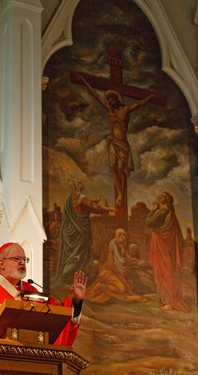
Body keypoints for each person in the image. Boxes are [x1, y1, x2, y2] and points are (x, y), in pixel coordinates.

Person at [0, 242, 88, 346]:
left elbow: (59, 314)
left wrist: (76, 300)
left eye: (25, 259)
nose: (22, 262)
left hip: (31, 360)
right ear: (2, 264)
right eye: (17, 259)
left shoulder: (31, 290)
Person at [79, 75, 156, 207]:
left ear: (117, 99)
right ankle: (119, 194)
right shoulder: (110, 111)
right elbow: (97, 96)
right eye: (109, 100)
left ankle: (121, 194)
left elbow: (138, 104)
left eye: (113, 99)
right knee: (114, 167)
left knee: (121, 168)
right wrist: (85, 82)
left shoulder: (125, 110)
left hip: (122, 144)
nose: (111, 102)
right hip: (113, 142)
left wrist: (150, 98)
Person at [52, 177, 116, 287]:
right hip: (80, 231)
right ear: (76, 185)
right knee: (79, 255)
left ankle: (75, 277)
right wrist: (109, 209)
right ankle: (67, 276)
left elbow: (85, 206)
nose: (81, 183)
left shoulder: (70, 198)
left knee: (75, 254)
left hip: (73, 231)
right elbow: (93, 207)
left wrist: (94, 201)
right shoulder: (80, 197)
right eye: (79, 182)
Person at [146, 192, 190, 312]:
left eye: (162, 197)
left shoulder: (163, 211)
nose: (160, 198)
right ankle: (167, 300)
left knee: (163, 273)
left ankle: (169, 302)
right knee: (167, 272)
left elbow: (149, 223)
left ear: (165, 200)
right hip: (167, 248)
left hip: (162, 248)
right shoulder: (171, 213)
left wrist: (153, 210)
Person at [84, 228, 147, 303]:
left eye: (124, 238)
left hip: (115, 273)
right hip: (107, 272)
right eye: (121, 237)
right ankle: (100, 286)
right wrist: (126, 258)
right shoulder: (112, 244)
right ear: (117, 236)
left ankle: (102, 287)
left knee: (126, 287)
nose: (123, 240)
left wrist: (124, 251)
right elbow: (121, 261)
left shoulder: (121, 247)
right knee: (122, 289)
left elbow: (125, 260)